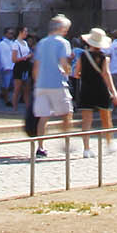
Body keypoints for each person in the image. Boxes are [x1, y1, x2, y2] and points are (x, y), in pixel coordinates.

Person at [32, 16, 76, 157]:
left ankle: (40, 147)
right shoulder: (63, 43)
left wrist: (36, 81)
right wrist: (68, 72)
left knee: (43, 117)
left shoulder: (41, 43)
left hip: (41, 84)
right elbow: (64, 62)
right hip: (57, 83)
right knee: (67, 113)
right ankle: (66, 143)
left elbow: (36, 65)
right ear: (62, 29)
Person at [74, 28, 117, 153]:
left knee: (86, 120)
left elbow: (76, 73)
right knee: (106, 117)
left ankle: (86, 149)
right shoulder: (103, 57)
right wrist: (114, 92)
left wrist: (82, 74)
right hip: (101, 89)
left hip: (86, 89)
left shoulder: (83, 56)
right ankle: (109, 143)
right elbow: (106, 74)